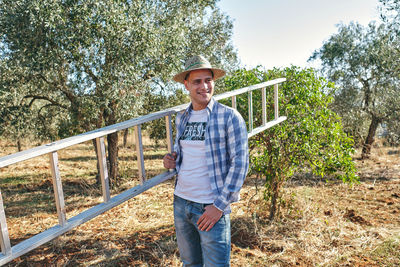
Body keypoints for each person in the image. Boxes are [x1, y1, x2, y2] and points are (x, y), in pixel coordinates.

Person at [163, 55, 249, 267]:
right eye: (197, 81)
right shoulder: (182, 118)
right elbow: (183, 153)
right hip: (181, 202)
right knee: (190, 263)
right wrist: (171, 160)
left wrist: (219, 206)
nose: (204, 86)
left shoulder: (229, 117)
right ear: (186, 85)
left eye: (208, 80)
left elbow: (240, 164)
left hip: (211, 206)